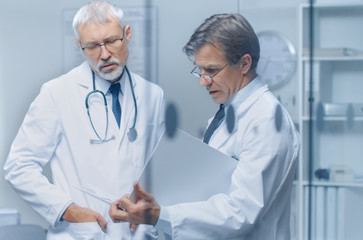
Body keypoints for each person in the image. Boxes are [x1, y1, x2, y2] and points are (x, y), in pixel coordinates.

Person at [109, 13, 300, 240]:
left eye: (211, 70)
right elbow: (206, 192)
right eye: (199, 70)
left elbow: (240, 214)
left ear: (244, 63)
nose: (203, 81)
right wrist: (146, 209)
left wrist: (161, 215)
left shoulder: (265, 120)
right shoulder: (227, 114)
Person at [4, 2, 165, 239]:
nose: (105, 54)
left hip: (136, 233)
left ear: (127, 34)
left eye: (111, 41)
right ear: (79, 46)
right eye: (92, 46)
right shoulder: (56, 93)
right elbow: (18, 166)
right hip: (80, 233)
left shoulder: (153, 95)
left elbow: (158, 168)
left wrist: (146, 211)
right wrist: (68, 210)